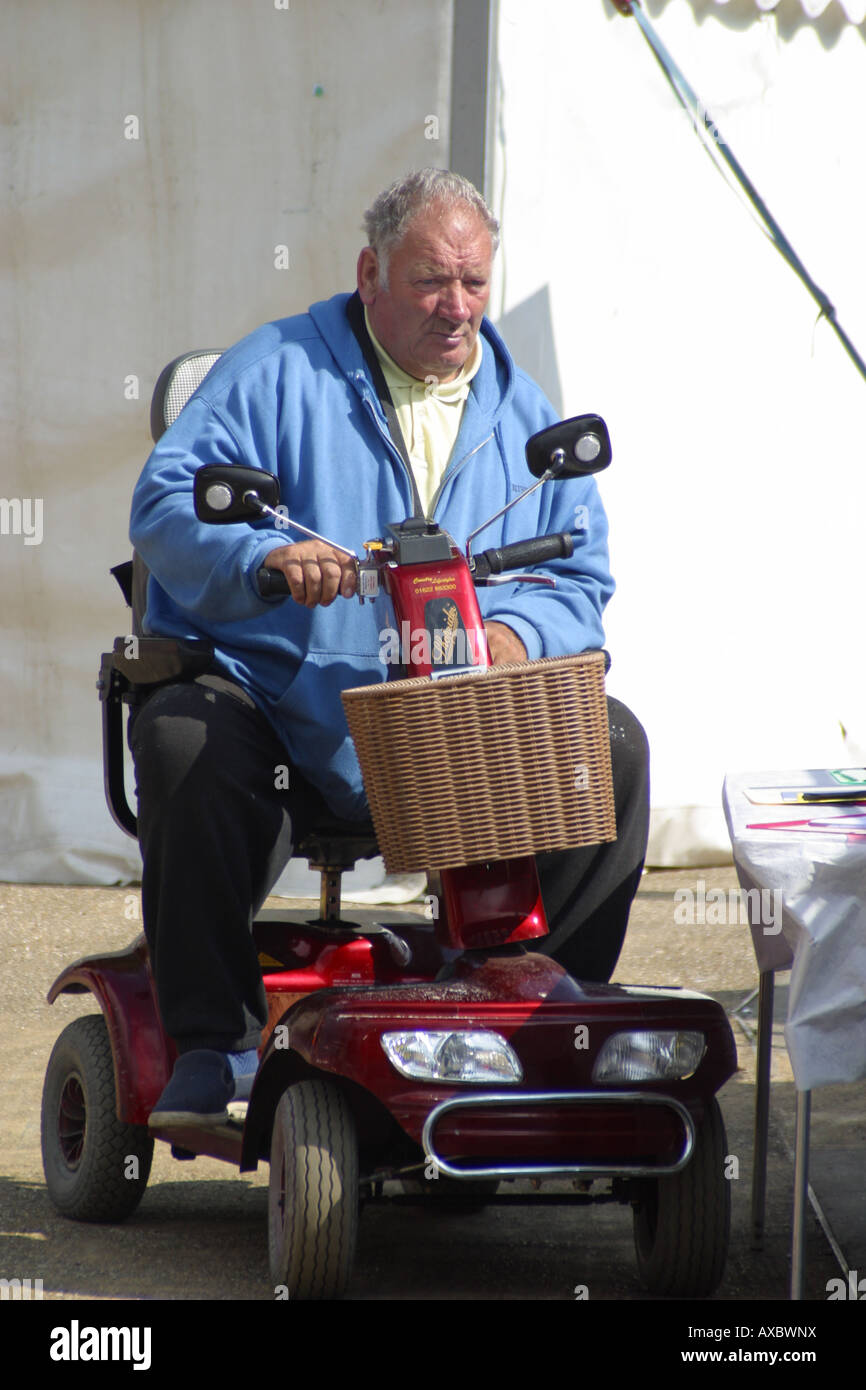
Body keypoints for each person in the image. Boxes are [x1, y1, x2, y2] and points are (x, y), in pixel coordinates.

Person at [129, 168, 650, 1126]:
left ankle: (536, 1018)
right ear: (369, 273)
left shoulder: (523, 409)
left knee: (610, 743)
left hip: (455, 727)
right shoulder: (279, 367)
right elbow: (164, 505)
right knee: (182, 737)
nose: (457, 309)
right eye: (429, 282)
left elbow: (580, 580)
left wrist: (510, 633)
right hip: (289, 710)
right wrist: (266, 554)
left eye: (474, 284)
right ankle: (214, 1045)